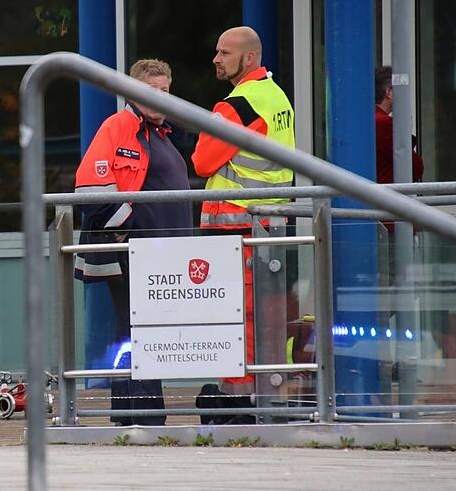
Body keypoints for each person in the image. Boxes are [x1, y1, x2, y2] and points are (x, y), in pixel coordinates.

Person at [74, 59, 192, 426]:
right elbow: (90, 187)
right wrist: (124, 229)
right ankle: (139, 413)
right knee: (136, 328)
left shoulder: (164, 133)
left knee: (145, 329)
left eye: (165, 90)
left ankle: (138, 411)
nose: (160, 97)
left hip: (160, 252)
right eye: (150, 90)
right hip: (134, 252)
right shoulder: (119, 126)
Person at [191, 26, 295, 424]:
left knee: (236, 319)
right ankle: (268, 397)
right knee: (266, 317)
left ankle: (239, 403)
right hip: (270, 226)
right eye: (217, 51)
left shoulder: (236, 105)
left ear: (248, 58)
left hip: (235, 230)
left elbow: (201, 162)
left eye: (224, 53)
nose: (216, 59)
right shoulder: (276, 96)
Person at [375, 65, 423, 185]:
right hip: (386, 198)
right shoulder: (385, 124)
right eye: (402, 91)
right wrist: (405, 130)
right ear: (389, 92)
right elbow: (415, 167)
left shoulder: (367, 120)